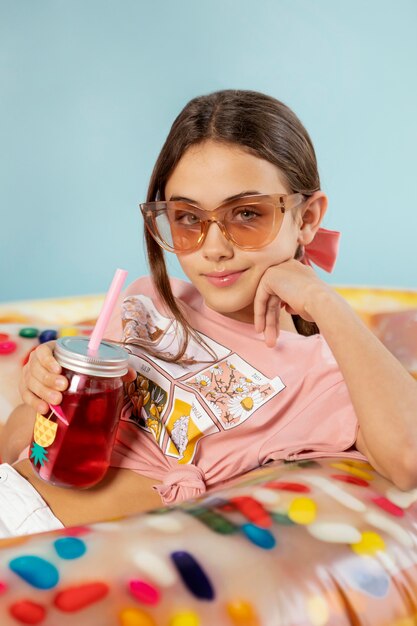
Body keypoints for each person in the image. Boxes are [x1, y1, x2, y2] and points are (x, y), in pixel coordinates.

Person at [1, 89, 417, 536]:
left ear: (307, 218)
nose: (214, 248)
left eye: (246, 214)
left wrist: (323, 301)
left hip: (47, 540)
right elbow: (18, 448)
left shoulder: (322, 378)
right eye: (187, 218)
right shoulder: (145, 304)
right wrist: (43, 390)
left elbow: (408, 458)